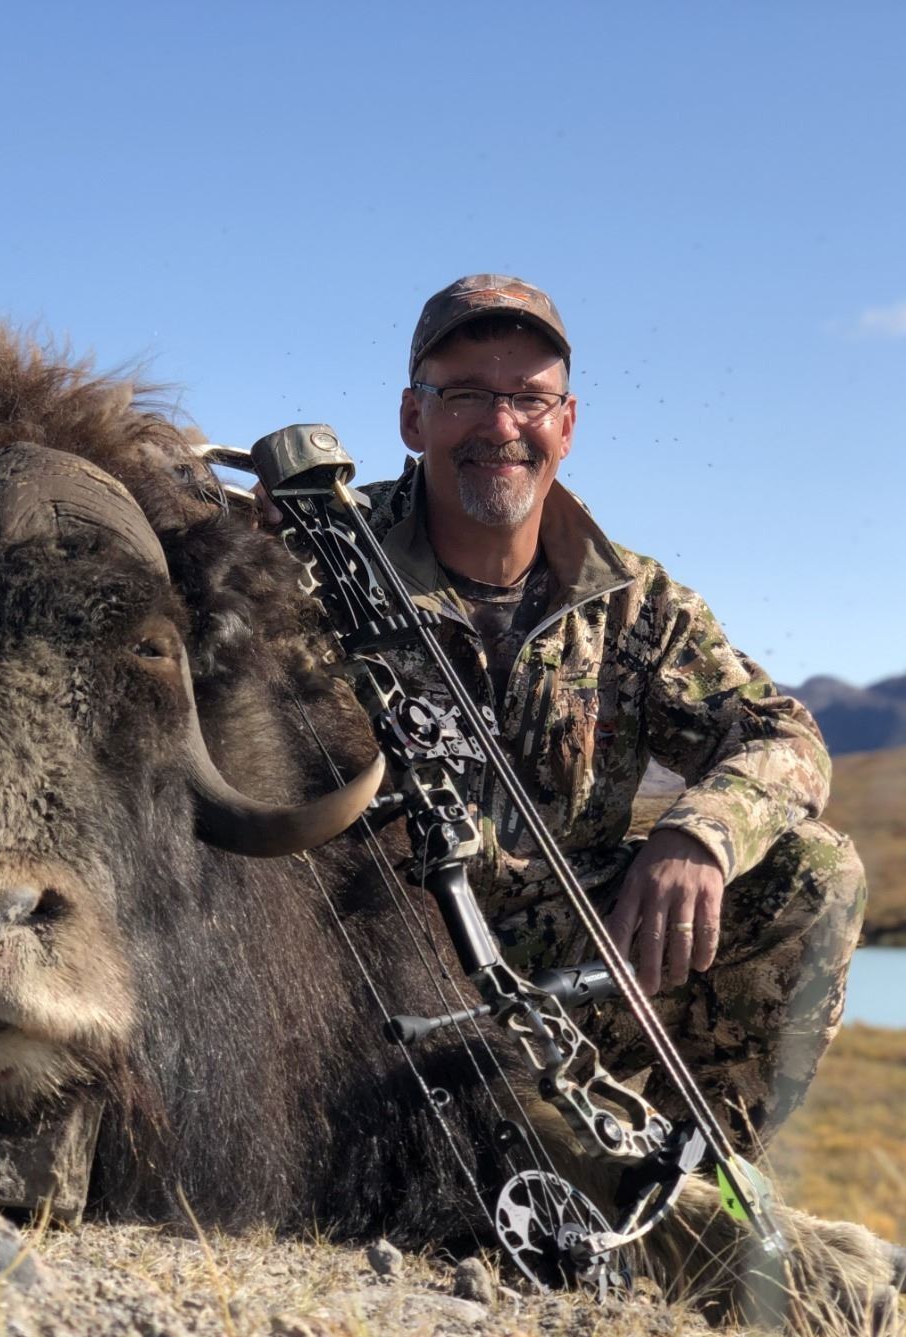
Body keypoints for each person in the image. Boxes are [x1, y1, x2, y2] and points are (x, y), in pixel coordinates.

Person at [349, 275, 866, 1149]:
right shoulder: (317, 562)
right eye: (466, 395)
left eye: (529, 399)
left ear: (567, 424)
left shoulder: (635, 600)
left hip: (559, 968)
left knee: (814, 873)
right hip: (364, 958)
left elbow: (784, 737)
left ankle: (684, 1182)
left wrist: (699, 834)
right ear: (413, 417)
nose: (501, 425)